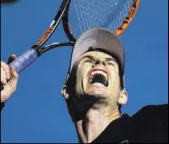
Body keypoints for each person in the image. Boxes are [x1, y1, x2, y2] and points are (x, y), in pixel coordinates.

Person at [1, 28, 168, 143]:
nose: (100, 61)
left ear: (122, 95)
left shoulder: (154, 120)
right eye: (88, 60)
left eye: (110, 62)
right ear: (66, 91)